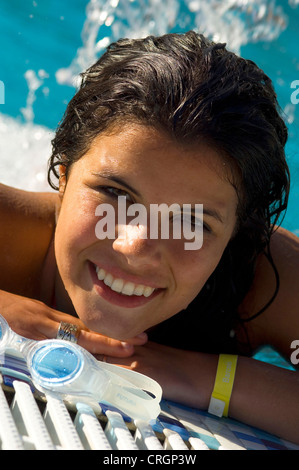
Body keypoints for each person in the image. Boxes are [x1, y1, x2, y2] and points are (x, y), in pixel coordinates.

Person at [0, 31, 298, 443]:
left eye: (191, 222)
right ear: (63, 175)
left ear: (236, 235)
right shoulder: (8, 232)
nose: (136, 248)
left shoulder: (267, 281)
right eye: (116, 195)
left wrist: (207, 378)